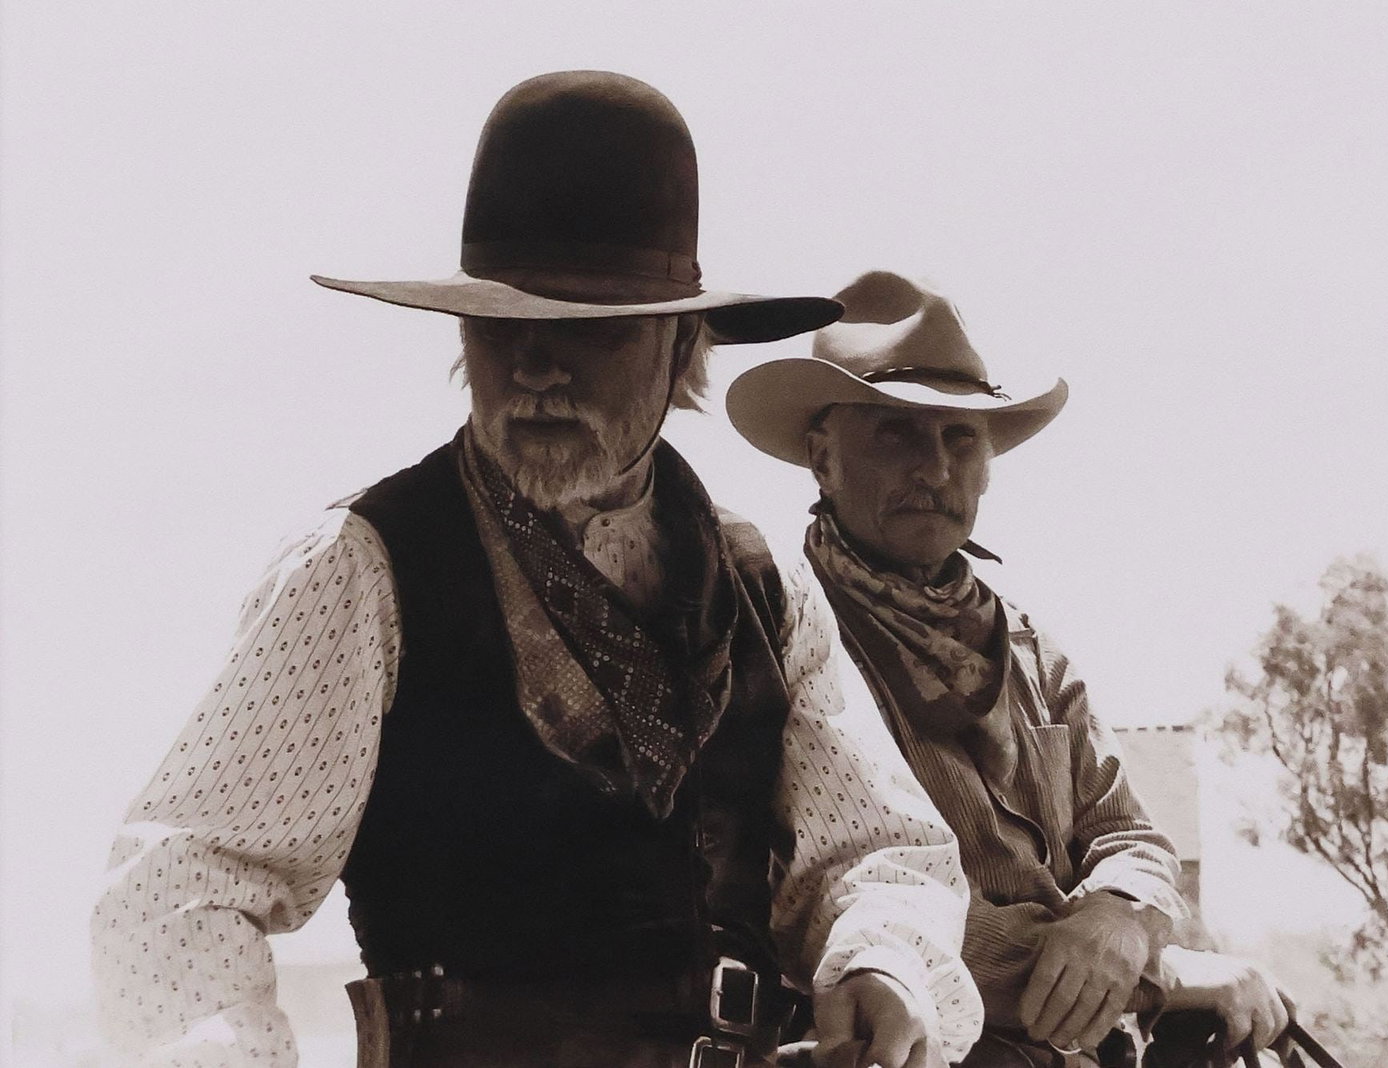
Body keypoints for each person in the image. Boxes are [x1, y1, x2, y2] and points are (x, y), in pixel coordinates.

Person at [91, 77, 983, 1068]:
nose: (537, 368)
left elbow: (878, 849)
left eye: (588, 330)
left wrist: (883, 965)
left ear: (681, 345)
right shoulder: (363, 568)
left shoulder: (761, 586)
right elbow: (186, 883)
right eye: (501, 326)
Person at [725, 271, 1292, 1067]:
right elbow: (821, 897)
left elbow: (1130, 835)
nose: (933, 466)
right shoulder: (775, 628)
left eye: (960, 438)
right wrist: (1152, 974)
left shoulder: (1031, 649)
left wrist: (1122, 918)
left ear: (988, 464)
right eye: (896, 431)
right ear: (823, 458)